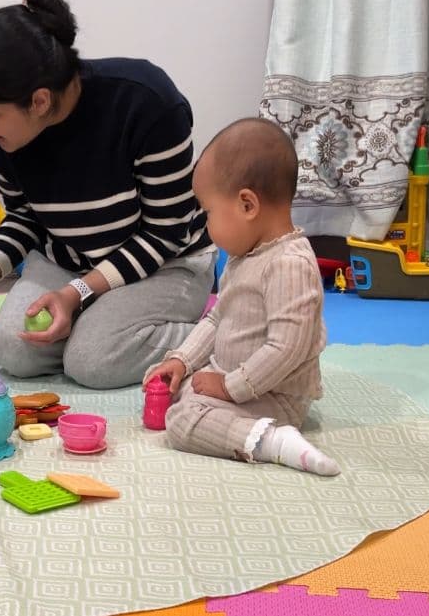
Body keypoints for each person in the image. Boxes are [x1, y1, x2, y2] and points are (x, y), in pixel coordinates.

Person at [0, 0, 215, 389]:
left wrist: (77, 293)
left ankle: (215, 335)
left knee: (93, 362)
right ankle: (98, 324)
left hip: (165, 264)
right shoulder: (5, 137)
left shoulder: (146, 104)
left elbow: (165, 233)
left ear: (39, 101)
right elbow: (25, 218)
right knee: (13, 349)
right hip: (70, 260)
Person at [143, 118, 340, 477]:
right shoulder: (245, 256)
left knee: (183, 421)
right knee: (181, 389)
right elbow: (218, 318)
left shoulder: (289, 263)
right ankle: (234, 419)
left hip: (274, 396)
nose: (206, 225)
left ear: (247, 205)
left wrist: (229, 387)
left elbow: (287, 348)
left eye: (209, 212)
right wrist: (183, 361)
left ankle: (274, 442)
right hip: (238, 380)